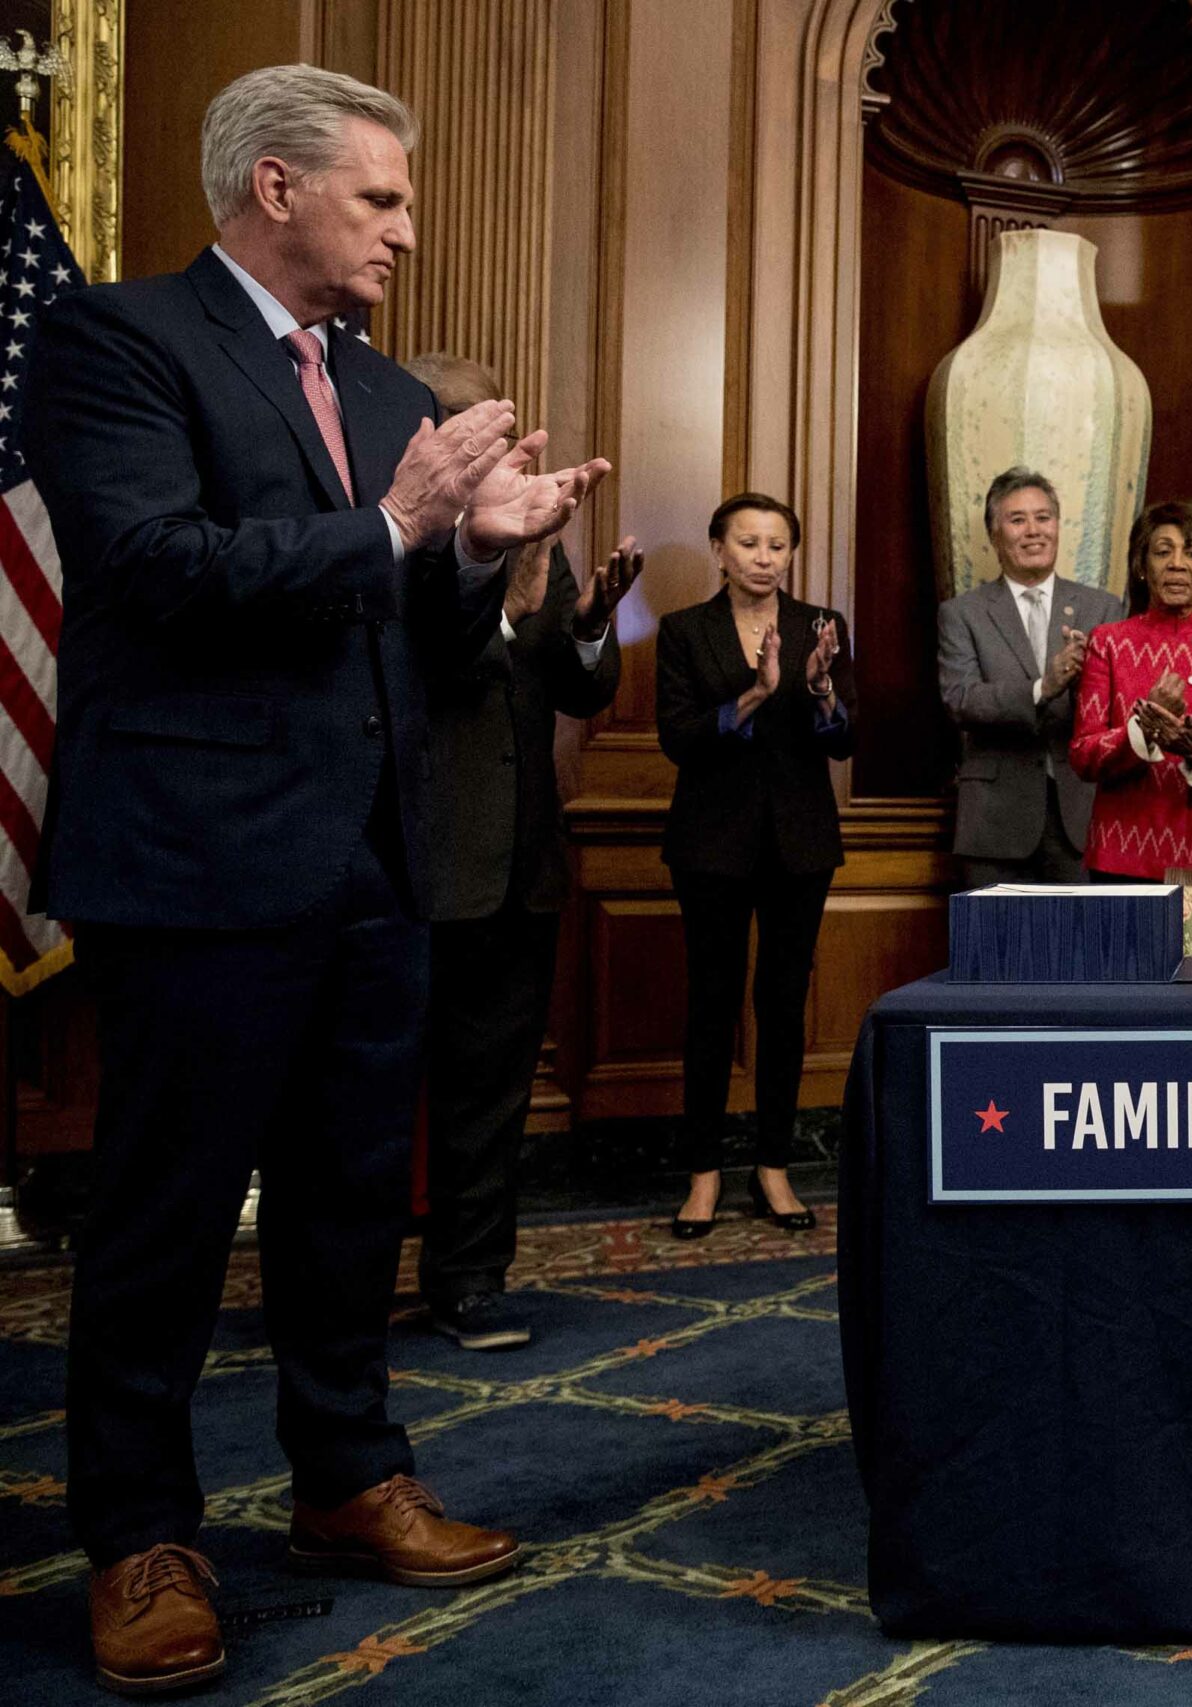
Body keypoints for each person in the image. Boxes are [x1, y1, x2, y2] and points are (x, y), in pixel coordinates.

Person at [28, 64, 608, 1694]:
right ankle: (141, 1534)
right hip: (200, 862)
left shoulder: (386, 379)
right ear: (274, 186)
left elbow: (412, 630)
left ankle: (348, 1476)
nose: (410, 234)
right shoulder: (120, 342)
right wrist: (395, 517)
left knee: (356, 1197)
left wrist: (485, 548)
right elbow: (149, 567)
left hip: (374, 859)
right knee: (166, 1217)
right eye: (383, 199)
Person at [408, 353, 641, 1352]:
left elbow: (583, 693)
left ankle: (468, 1284)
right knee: (364, 1093)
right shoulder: (399, 539)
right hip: (411, 861)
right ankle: (336, 1285)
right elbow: (432, 667)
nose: (497, 446)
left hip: (523, 865)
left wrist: (587, 624)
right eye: (472, 427)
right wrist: (504, 608)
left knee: (490, 1093)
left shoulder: (538, 532)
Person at [655, 493, 856, 1238]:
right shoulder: (684, 630)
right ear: (718, 550)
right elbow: (678, 738)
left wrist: (820, 688)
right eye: (748, 542)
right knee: (710, 1004)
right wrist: (755, 695)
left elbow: (843, 740)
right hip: (710, 844)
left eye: (778, 544)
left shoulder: (820, 627)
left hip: (800, 845)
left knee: (781, 1005)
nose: (764, 556)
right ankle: (702, 1172)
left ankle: (774, 1165)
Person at [937, 468, 1126, 887]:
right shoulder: (962, 613)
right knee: (994, 950)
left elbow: (1117, 709)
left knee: (1079, 949)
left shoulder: (1104, 609)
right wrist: (1044, 687)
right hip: (994, 821)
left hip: (1080, 817)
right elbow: (961, 699)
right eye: (1017, 519)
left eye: (1043, 518)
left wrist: (1083, 683)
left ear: (1058, 527)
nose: (1033, 531)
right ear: (993, 534)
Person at [1069, 499, 1192, 878]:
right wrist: (1142, 730)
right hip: (1123, 853)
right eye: (1163, 551)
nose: (1177, 563)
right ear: (1143, 567)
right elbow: (1083, 754)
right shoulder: (1108, 642)